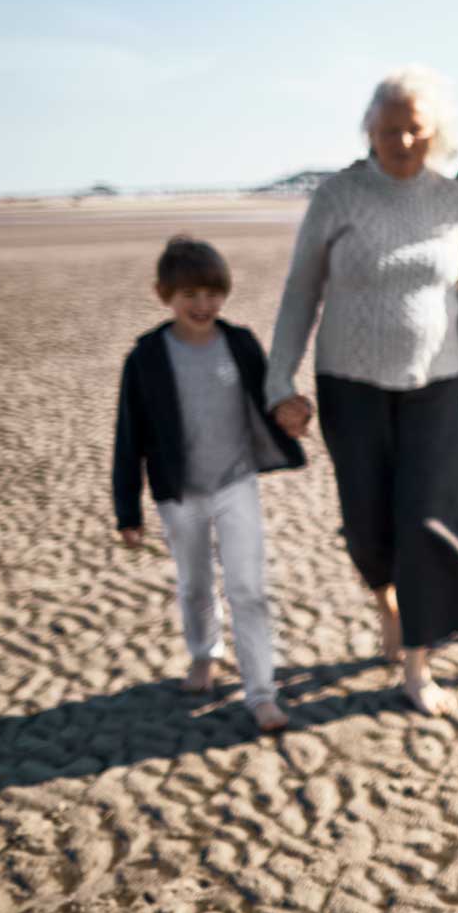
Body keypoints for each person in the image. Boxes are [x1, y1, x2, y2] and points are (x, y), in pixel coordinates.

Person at [266, 67, 458, 717]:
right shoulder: (338, 197)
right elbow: (299, 291)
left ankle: (417, 662)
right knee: (369, 524)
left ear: (437, 132)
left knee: (427, 523)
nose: (402, 138)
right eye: (389, 127)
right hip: (349, 383)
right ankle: (387, 600)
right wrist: (278, 379)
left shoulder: (455, 200)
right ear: (369, 128)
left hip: (437, 383)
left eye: (415, 127)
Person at [112, 235, 304, 734]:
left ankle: (261, 693)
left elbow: (270, 398)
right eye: (190, 295)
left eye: (213, 293)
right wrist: (127, 512)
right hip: (179, 493)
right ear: (164, 294)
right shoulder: (146, 358)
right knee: (196, 583)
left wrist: (291, 415)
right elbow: (128, 437)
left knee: (248, 590)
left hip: (236, 485)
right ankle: (205, 654)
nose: (203, 305)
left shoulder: (238, 342)